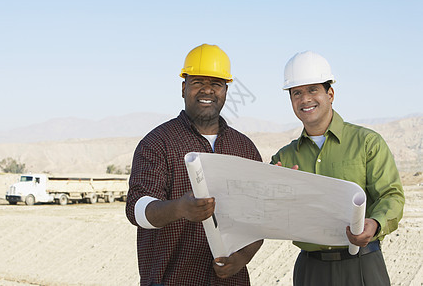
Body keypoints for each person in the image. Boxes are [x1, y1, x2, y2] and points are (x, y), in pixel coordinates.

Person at [126, 43, 263, 286]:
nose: (207, 90)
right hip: (170, 280)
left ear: (226, 90)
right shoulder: (157, 143)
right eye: (198, 82)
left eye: (216, 83)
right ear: (183, 87)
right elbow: (137, 209)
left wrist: (242, 257)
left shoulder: (244, 149)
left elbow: (258, 218)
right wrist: (180, 208)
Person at [271, 51, 405, 286]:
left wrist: (373, 224)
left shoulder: (367, 143)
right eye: (297, 93)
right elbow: (267, 210)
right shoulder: (283, 158)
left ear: (330, 94)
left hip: (362, 265)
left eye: (313, 89)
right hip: (310, 270)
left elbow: (391, 196)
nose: (305, 99)